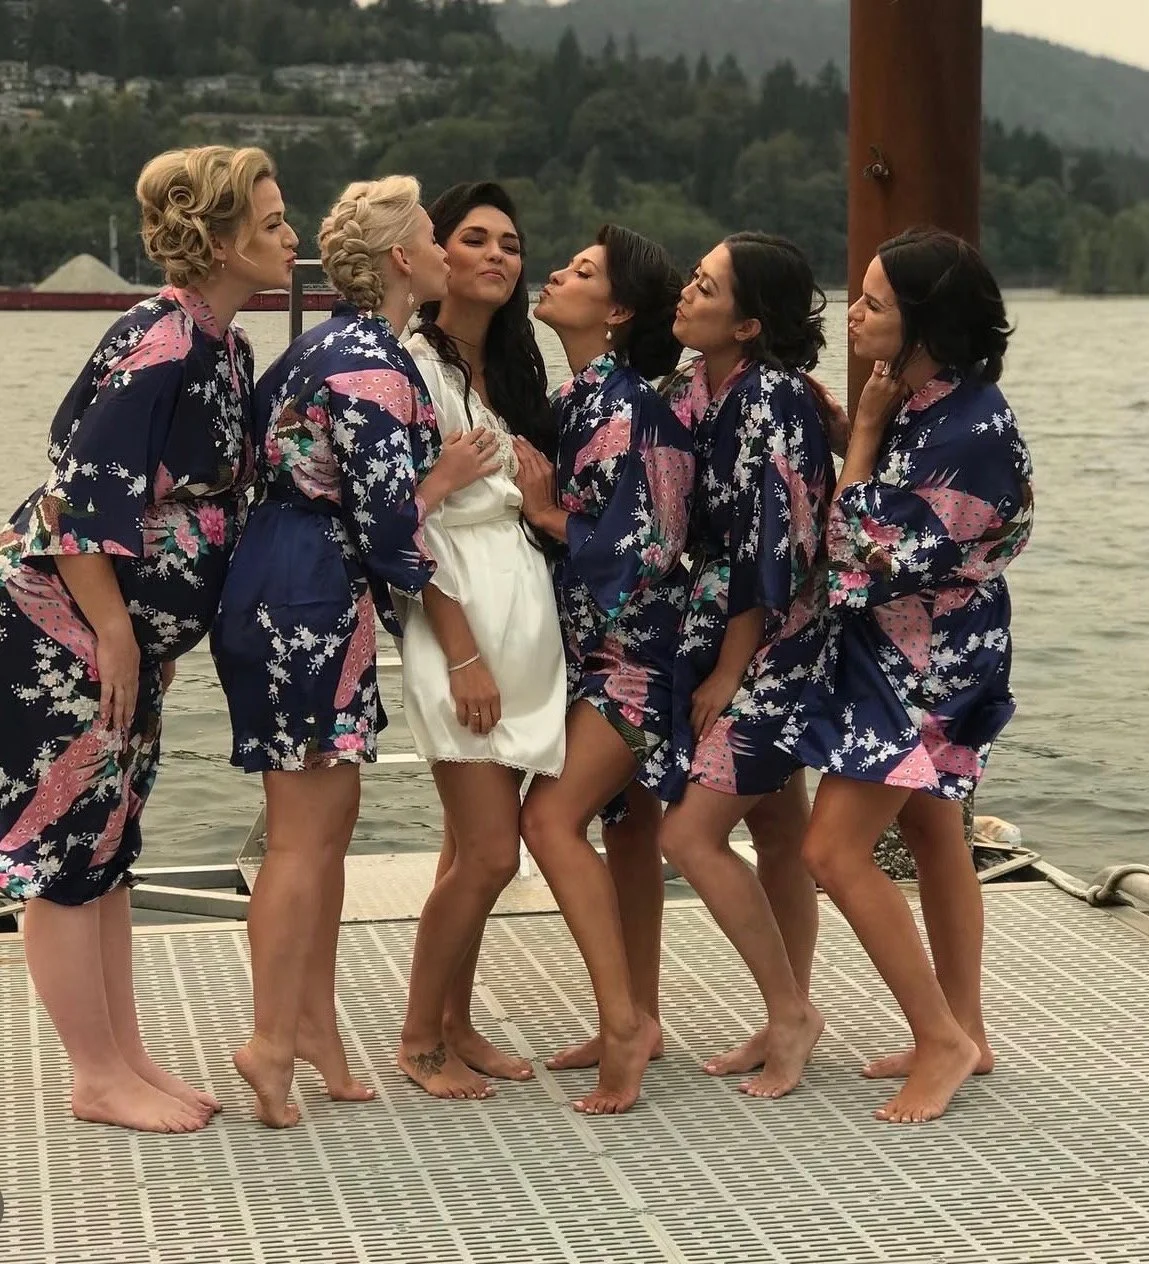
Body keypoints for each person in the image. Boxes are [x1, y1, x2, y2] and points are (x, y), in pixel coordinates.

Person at [0, 145, 295, 1132]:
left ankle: (125, 1054)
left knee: (113, 844)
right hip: (67, 629)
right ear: (217, 240)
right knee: (67, 845)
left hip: (122, 638)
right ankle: (93, 1073)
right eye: (270, 222)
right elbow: (74, 501)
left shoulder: (225, 347)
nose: (291, 238)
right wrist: (119, 635)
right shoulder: (159, 345)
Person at [211, 176, 498, 1127]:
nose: (446, 248)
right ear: (400, 260)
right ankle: (268, 1038)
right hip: (306, 591)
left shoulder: (319, 348)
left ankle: (314, 1026)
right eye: (430, 234)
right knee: (303, 834)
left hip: (284, 579)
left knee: (325, 825)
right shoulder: (374, 365)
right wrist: (443, 477)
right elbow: (388, 528)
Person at [782, 227, 1034, 1123]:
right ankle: (965, 1024)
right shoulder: (938, 404)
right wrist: (869, 427)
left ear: (924, 322)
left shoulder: (964, 429)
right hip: (922, 652)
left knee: (829, 851)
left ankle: (941, 1038)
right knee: (933, 838)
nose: (852, 314)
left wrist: (859, 443)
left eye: (874, 304)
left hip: (923, 669)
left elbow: (857, 556)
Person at [513, 225, 692, 1114]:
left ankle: (624, 1023)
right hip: (598, 652)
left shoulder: (625, 409)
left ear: (616, 311)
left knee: (549, 821)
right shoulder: (582, 398)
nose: (556, 271)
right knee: (626, 832)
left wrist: (545, 513)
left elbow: (646, 549)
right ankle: (640, 1016)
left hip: (637, 660)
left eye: (581, 271)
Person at [396, 181, 565, 1098]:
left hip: (518, 602)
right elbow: (406, 526)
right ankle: (419, 1036)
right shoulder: (411, 364)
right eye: (475, 238)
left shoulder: (511, 365)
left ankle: (456, 1023)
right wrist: (459, 653)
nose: (499, 255)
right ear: (436, 256)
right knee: (495, 852)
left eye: (511, 242)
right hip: (455, 611)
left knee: (468, 851)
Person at [657, 233, 833, 1099]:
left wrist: (730, 671)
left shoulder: (772, 398)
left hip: (777, 640)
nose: (687, 293)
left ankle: (791, 1014)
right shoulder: (697, 388)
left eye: (706, 287)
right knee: (775, 833)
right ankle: (783, 1011)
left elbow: (778, 548)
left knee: (688, 834)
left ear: (750, 322)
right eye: (690, 278)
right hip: (727, 623)